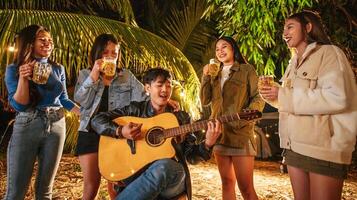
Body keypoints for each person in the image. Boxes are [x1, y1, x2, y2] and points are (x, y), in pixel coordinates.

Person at [259, 10, 357, 200]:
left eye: (290, 27)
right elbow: (293, 101)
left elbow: (338, 97)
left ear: (308, 27)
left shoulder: (329, 54)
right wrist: (275, 97)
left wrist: (284, 95)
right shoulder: (293, 62)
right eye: (283, 28)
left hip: (323, 148)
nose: (284, 33)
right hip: (294, 147)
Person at [74, 34, 179, 200]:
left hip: (118, 132)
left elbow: (145, 96)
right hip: (90, 133)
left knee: (116, 182)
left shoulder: (126, 76)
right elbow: (81, 101)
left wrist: (164, 98)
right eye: (105, 52)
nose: (110, 56)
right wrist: (94, 75)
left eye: (114, 54)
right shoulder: (86, 74)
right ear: (97, 53)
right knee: (91, 186)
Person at [91, 68, 222, 200]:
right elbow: (97, 120)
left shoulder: (181, 118)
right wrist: (120, 131)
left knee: (165, 166)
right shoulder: (135, 110)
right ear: (147, 88)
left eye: (168, 85)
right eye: (159, 85)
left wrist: (207, 144)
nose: (165, 90)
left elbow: (191, 157)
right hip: (137, 176)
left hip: (172, 178)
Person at [4, 24, 80, 199]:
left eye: (50, 41)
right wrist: (24, 78)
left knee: (45, 190)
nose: (48, 44)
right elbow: (20, 106)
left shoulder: (58, 68)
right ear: (30, 43)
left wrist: (86, 114)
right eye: (42, 40)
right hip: (28, 123)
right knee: (16, 191)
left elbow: (64, 100)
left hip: (56, 124)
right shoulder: (14, 69)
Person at [200, 36, 265, 200]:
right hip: (219, 134)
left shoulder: (246, 69)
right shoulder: (215, 73)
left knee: (246, 187)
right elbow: (204, 100)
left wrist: (243, 119)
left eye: (224, 47)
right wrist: (205, 76)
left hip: (240, 135)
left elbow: (258, 97)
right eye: (217, 49)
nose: (220, 51)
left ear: (233, 49)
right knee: (227, 183)